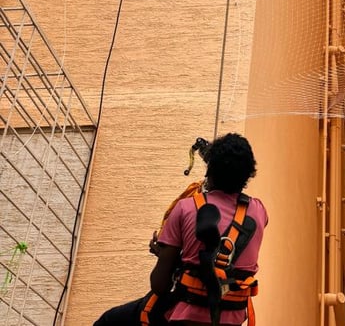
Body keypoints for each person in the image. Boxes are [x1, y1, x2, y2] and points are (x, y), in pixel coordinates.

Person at [94, 133, 268, 326]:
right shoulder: (259, 211)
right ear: (248, 175)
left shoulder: (186, 208)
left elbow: (159, 285)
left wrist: (164, 256)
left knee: (109, 321)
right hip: (231, 318)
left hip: (185, 316)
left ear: (209, 170)